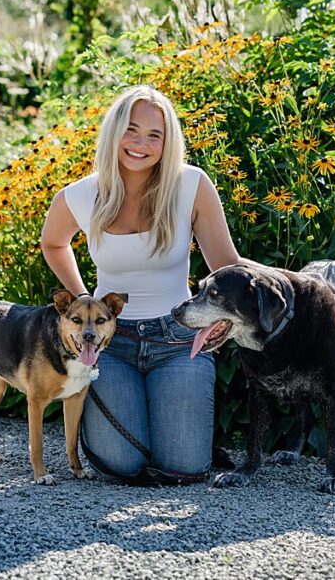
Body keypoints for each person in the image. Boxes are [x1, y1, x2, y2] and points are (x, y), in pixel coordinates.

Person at [41, 85, 241, 484]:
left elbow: (226, 267)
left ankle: (170, 431)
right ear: (114, 132)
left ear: (168, 143)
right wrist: (83, 300)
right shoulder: (82, 195)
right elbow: (53, 242)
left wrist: (287, 283)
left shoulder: (191, 186)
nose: (141, 144)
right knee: (122, 465)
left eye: (155, 135)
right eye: (131, 130)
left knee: (183, 468)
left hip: (179, 338)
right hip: (106, 344)